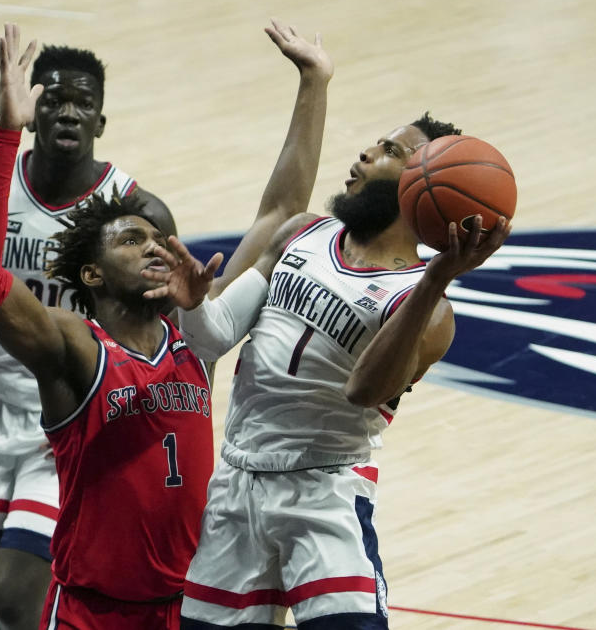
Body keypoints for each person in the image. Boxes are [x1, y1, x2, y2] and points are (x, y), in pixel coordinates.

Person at [0, 20, 332, 630]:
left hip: (198, 607)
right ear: (95, 276)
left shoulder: (198, 333)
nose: (155, 245)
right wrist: (5, 134)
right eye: (131, 240)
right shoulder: (75, 348)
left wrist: (315, 80)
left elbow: (281, 215)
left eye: (157, 237)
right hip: (98, 613)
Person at [142, 119, 511, 629]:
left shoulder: (424, 306)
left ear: (421, 183)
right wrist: (194, 306)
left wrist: (435, 279)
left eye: (388, 150)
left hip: (323, 491)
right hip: (237, 484)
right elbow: (212, 337)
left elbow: (365, 390)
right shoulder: (302, 233)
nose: (364, 153)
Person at [0, 30, 176, 629]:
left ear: (101, 120)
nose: (68, 111)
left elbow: (166, 338)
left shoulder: (136, 212)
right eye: (53, 99)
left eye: (83, 103)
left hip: (72, 418)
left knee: (17, 601)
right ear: (32, 108)